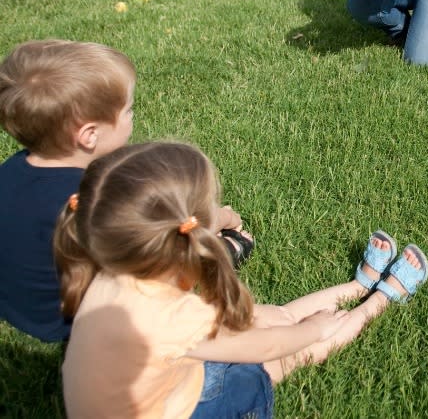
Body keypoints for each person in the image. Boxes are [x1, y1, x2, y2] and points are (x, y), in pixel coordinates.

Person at [54, 141, 428, 418]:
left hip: (163, 383)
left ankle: (357, 287)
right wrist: (313, 329)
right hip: (197, 408)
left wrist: (213, 219)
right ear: (187, 231)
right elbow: (264, 349)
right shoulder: (165, 315)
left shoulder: (110, 269)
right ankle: (377, 300)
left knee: (274, 316)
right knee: (286, 356)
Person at [0, 40, 251, 343]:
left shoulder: (12, 169)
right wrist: (218, 219)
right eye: (128, 111)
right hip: (82, 322)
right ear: (89, 135)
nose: (133, 117)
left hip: (21, 308)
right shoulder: (99, 196)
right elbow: (162, 235)